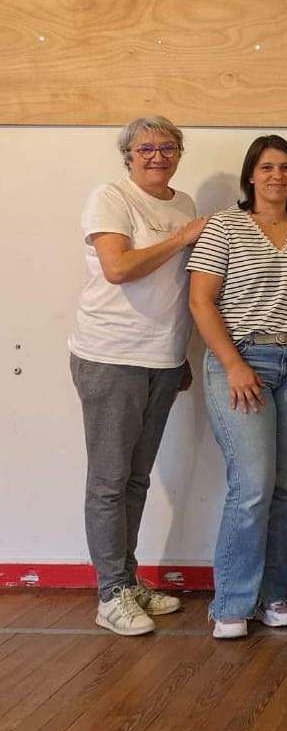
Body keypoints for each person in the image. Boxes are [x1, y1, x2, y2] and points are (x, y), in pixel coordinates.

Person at [68, 116, 208, 637]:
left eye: (167, 147)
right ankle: (110, 594)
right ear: (128, 155)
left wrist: (180, 354)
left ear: (179, 153)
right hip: (110, 355)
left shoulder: (184, 203)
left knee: (135, 478)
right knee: (109, 481)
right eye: (145, 148)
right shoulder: (111, 197)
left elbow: (176, 289)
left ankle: (126, 581)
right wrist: (183, 237)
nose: (157, 156)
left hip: (162, 359)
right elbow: (119, 268)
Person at [188, 135, 287, 639]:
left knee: (284, 487)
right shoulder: (224, 226)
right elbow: (201, 301)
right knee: (252, 487)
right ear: (250, 175)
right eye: (266, 167)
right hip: (242, 360)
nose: (277, 176)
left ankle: (273, 594)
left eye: (285, 167)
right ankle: (231, 602)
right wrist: (234, 364)